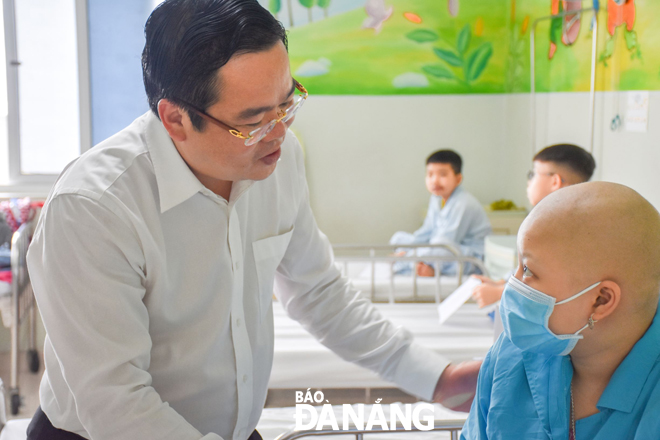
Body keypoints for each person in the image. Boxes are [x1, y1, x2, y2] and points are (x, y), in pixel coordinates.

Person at [24, 1, 480, 439]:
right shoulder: (94, 208)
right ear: (175, 119)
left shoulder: (279, 160)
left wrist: (437, 379)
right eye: (255, 121)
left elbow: (318, 291)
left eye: (287, 102)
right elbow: (116, 403)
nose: (280, 132)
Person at [461, 182, 660, 439]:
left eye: (529, 271)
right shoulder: (511, 354)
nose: (512, 284)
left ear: (600, 300)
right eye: (518, 266)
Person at [472, 143, 596, 308]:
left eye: (533, 174)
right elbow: (528, 269)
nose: (529, 182)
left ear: (554, 181)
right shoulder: (556, 218)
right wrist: (500, 283)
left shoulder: (559, 226)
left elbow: (551, 283)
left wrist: (500, 292)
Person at [389, 150, 491, 277]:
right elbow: (427, 231)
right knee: (398, 238)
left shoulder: (464, 203)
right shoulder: (436, 199)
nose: (435, 181)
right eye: (430, 174)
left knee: (439, 245)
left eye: (442, 175)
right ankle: (417, 264)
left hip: (468, 256)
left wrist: (409, 255)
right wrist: (409, 249)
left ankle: (418, 266)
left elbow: (445, 243)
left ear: (458, 179)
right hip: (444, 248)